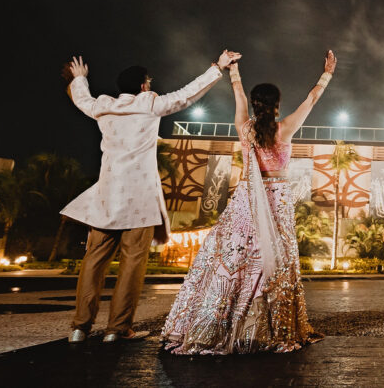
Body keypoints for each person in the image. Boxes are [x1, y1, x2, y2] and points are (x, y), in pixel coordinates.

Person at [161, 50, 337, 355]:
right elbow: (311, 100)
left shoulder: (245, 129)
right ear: (277, 105)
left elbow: (237, 96)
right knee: (274, 260)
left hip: (246, 199)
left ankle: (218, 321)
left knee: (236, 256)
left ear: (256, 104)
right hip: (277, 199)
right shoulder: (286, 129)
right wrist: (327, 74)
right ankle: (269, 326)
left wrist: (234, 71)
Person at [61, 50, 240, 343]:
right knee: (131, 266)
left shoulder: (103, 108)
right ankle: (117, 330)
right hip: (139, 201)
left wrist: (80, 79)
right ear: (144, 85)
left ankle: (80, 327)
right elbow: (187, 94)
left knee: (93, 263)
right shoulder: (150, 105)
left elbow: (83, 100)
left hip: (106, 198)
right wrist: (217, 68)